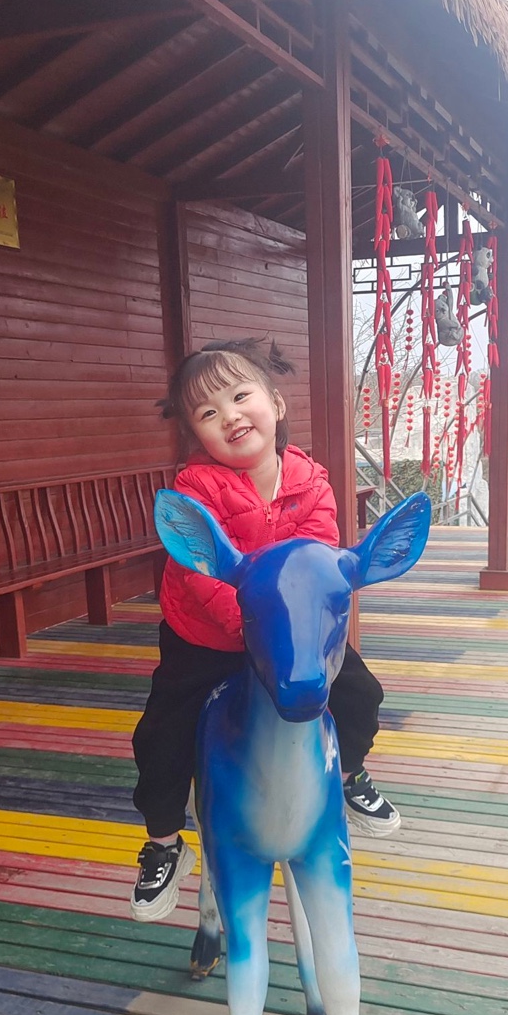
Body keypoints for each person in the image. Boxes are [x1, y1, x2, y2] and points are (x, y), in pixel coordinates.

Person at [129, 337, 400, 921]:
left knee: (359, 692)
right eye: (208, 412)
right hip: (206, 635)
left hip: (287, 637)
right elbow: (200, 575)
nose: (228, 416)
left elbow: (319, 564)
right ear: (196, 435)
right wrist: (249, 628)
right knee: (163, 731)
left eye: (239, 396)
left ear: (275, 404)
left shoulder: (311, 482)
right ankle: (164, 840)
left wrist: (292, 631)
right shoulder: (196, 489)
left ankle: (348, 772)